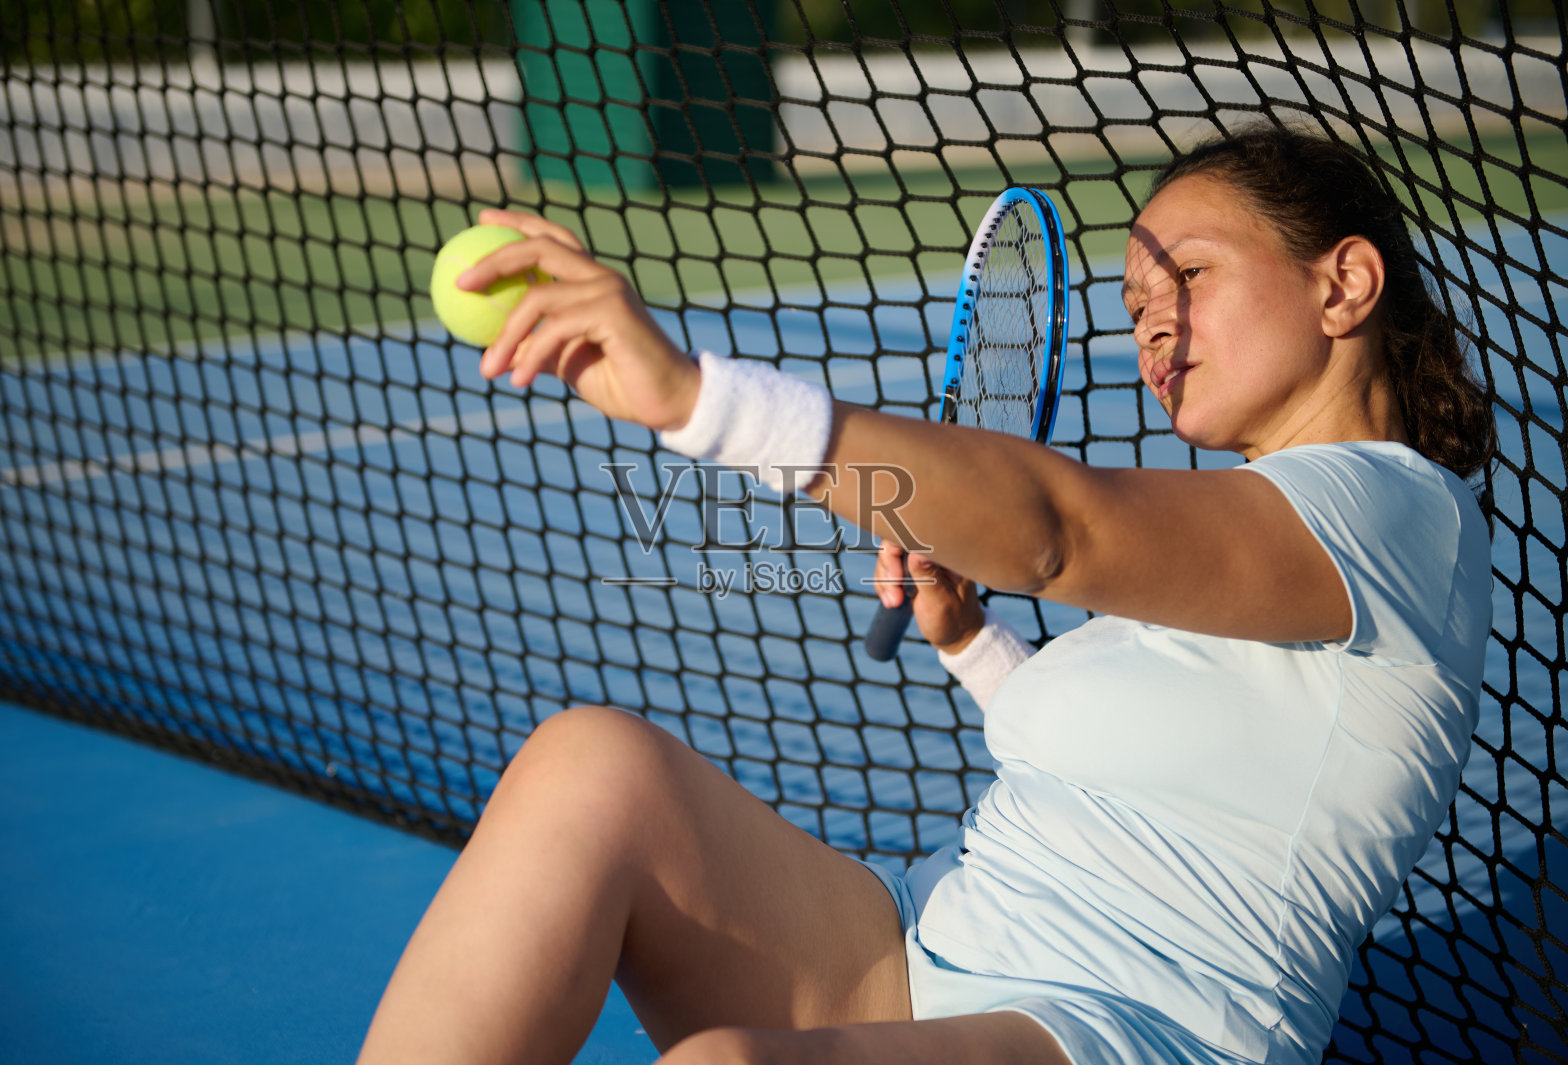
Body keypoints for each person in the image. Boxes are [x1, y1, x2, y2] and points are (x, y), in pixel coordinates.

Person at [356, 125, 1495, 1065]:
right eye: (1138, 298)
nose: (1154, 320)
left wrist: (695, 400)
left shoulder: (1395, 512)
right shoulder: (1259, 547)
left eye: (1188, 276)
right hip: (920, 942)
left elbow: (1056, 529)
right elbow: (1154, 767)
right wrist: (969, 639)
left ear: (1343, 283)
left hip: (1128, 1027)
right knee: (591, 766)